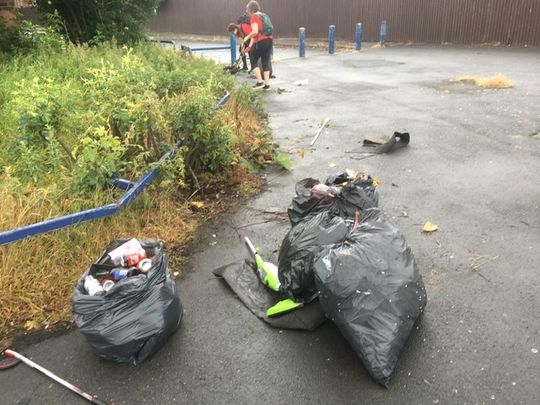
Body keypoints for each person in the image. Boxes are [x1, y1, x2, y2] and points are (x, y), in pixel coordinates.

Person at [242, 1, 273, 90]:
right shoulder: (265, 16)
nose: (248, 12)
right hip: (269, 40)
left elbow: (255, 32)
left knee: (253, 59)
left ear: (251, 10)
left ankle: (260, 82)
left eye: (248, 10)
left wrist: (246, 37)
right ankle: (267, 85)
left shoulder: (254, 17)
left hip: (261, 41)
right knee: (265, 62)